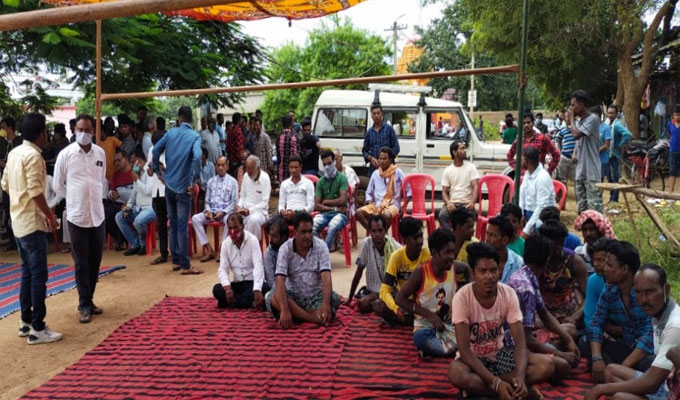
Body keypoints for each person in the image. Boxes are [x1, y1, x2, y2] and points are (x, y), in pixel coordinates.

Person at [448, 242, 552, 399]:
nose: (489, 276)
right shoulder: (462, 298)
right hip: (474, 359)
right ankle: (507, 390)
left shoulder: (508, 294)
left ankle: (488, 390)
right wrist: (497, 383)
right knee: (457, 374)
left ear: (499, 271)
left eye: (493, 270)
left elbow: (520, 343)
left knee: (546, 366)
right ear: (473, 272)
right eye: (483, 271)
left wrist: (520, 377)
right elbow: (465, 350)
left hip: (499, 354)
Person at [2, 112, 62, 344]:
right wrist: (50, 216)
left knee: (27, 272)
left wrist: (20, 202)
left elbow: (5, 185)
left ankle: (26, 321)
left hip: (17, 221)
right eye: (45, 131)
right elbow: (36, 192)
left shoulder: (14, 153)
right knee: (38, 276)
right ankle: (38, 327)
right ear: (41, 134)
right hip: (32, 223)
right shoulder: (34, 157)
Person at [586, 264, 679, 400]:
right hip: (664, 384)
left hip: (670, 390)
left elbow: (652, 383)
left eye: (650, 292)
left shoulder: (674, 326)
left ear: (666, 290)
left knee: (620, 397)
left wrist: (601, 389)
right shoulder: (658, 315)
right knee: (610, 370)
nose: (643, 300)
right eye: (638, 293)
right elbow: (596, 321)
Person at [53, 115, 107, 323]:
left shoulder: (100, 153)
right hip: (77, 216)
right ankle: (84, 303)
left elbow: (101, 179)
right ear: (74, 131)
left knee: (95, 260)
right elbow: (58, 185)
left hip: (97, 215)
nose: (84, 133)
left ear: (93, 131)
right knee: (81, 262)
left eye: (87, 130)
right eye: (80, 130)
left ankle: (89, 299)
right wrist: (73, 198)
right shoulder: (66, 155)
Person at [506, 235, 581, 379]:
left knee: (569, 331)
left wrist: (568, 340)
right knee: (563, 366)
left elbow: (544, 313)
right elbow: (526, 339)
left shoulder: (526, 275)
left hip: (525, 337)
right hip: (514, 345)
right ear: (547, 260)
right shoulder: (526, 289)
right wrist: (560, 354)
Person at [580, 240, 655, 382]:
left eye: (609, 265)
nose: (604, 268)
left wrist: (624, 367)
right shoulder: (610, 289)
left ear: (624, 269)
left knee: (654, 363)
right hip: (626, 347)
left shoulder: (646, 291)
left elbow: (650, 335)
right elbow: (596, 323)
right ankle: (620, 377)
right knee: (585, 342)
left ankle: (616, 376)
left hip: (645, 353)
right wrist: (597, 358)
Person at [266, 212, 340, 329]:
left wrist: (325, 305)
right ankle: (314, 318)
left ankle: (297, 315)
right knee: (272, 297)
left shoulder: (322, 247)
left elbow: (326, 278)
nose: (308, 236)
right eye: (303, 232)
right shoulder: (285, 249)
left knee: (334, 298)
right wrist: (284, 309)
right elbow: (279, 279)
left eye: (310, 231)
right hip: (293, 297)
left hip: (315, 296)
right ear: (295, 232)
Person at [152, 105, 203, 275]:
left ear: (180, 118)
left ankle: (175, 261)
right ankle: (185, 265)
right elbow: (197, 157)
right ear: (191, 119)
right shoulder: (194, 136)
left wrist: (157, 170)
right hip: (183, 188)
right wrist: (194, 180)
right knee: (181, 227)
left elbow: (156, 150)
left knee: (172, 225)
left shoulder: (170, 134)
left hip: (169, 186)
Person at [396, 228, 461, 358]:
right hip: (426, 327)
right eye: (447, 252)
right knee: (420, 338)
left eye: (453, 252)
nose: (452, 257)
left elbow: (467, 269)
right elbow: (399, 298)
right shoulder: (421, 272)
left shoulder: (453, 267)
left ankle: (451, 347)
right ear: (435, 253)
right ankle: (458, 348)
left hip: (450, 325)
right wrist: (428, 314)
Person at [375, 217, 430, 326]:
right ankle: (408, 320)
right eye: (415, 238)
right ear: (405, 240)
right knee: (378, 305)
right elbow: (384, 290)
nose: (420, 241)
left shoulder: (427, 254)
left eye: (421, 236)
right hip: (403, 302)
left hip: (421, 303)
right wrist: (396, 308)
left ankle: (404, 320)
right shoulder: (397, 256)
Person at [537, 219, 588, 336]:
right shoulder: (537, 259)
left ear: (558, 246)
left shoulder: (575, 262)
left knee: (569, 331)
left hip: (566, 316)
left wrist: (575, 316)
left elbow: (588, 296)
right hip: (542, 314)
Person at [345, 214, 401, 312]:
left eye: (380, 230)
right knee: (363, 304)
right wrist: (350, 298)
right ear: (369, 232)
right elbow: (358, 272)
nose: (377, 234)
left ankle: (383, 306)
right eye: (374, 231)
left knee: (380, 305)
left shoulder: (395, 247)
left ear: (385, 231)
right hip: (374, 293)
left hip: (392, 292)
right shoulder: (366, 244)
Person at [212, 213, 266, 310]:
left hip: (252, 282)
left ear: (243, 227)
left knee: (265, 288)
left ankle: (232, 302)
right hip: (237, 283)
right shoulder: (226, 244)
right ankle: (248, 303)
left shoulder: (252, 240)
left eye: (236, 227)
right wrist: (227, 288)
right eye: (230, 228)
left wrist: (257, 289)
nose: (233, 231)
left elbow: (258, 266)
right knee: (217, 289)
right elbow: (223, 269)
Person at [191, 156, 238, 262]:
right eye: (218, 165)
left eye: (223, 165)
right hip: (212, 212)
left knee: (230, 220)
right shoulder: (211, 181)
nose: (220, 168)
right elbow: (207, 201)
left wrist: (223, 212)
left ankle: (222, 250)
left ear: (227, 166)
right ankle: (209, 249)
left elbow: (234, 202)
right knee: (195, 219)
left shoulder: (233, 182)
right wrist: (207, 211)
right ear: (215, 166)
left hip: (225, 213)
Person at [566, 90, 603, 213]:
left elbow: (576, 135)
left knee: (594, 210)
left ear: (581, 105)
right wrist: (575, 153)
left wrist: (571, 119)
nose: (571, 108)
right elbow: (578, 142)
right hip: (580, 171)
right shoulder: (580, 122)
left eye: (573, 105)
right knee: (581, 210)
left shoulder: (593, 119)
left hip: (591, 172)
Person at [357, 146, 408, 233]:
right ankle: (374, 234)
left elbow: (409, 190)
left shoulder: (397, 172)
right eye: (380, 159)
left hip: (392, 205)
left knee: (386, 215)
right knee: (358, 213)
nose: (382, 161)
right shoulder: (375, 173)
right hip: (377, 204)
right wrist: (369, 202)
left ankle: (382, 236)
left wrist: (404, 207)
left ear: (390, 160)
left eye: (384, 159)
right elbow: (369, 192)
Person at [115, 150, 156, 256]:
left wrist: (137, 180)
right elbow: (133, 194)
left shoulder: (149, 171)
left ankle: (144, 245)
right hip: (138, 207)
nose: (132, 165)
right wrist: (128, 207)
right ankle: (135, 244)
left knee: (138, 221)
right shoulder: (137, 173)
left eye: (133, 162)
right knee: (119, 217)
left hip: (150, 207)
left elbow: (148, 191)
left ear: (139, 161)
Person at [438, 140, 479, 230]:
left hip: (466, 204)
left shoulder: (471, 167)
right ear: (454, 152)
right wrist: (448, 203)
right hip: (453, 204)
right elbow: (444, 192)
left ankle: (463, 236)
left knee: (469, 219)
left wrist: (472, 202)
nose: (465, 150)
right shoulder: (447, 170)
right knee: (441, 216)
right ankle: (451, 235)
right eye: (462, 148)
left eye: (464, 148)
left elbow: (475, 186)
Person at [312, 150, 349, 250]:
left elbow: (343, 199)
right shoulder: (320, 181)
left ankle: (322, 253)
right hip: (326, 214)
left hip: (341, 215)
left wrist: (326, 201)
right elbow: (317, 205)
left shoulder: (342, 178)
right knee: (312, 227)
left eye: (329, 163)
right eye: (324, 164)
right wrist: (334, 209)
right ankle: (320, 252)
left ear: (334, 162)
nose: (327, 167)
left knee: (332, 227)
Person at [507, 112, 560, 176]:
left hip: (539, 176)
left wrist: (549, 171)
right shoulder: (519, 141)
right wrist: (519, 169)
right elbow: (509, 156)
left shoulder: (543, 139)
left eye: (528, 122)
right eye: (523, 123)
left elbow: (556, 155)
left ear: (533, 123)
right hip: (524, 177)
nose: (526, 125)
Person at [519, 146, 555, 237]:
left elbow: (541, 207)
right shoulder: (528, 173)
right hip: (528, 213)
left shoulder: (542, 178)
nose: (520, 161)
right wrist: (521, 214)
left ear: (526, 161)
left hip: (541, 217)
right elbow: (522, 195)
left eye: (522, 159)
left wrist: (526, 230)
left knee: (538, 225)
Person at [104, 150, 135, 250]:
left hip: (132, 204)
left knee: (122, 214)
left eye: (119, 160)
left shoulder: (135, 172)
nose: (116, 163)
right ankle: (121, 239)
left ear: (126, 159)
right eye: (115, 161)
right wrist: (112, 194)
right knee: (103, 215)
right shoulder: (115, 174)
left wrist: (129, 203)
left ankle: (121, 241)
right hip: (117, 204)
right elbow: (110, 192)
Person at [146, 128, 169, 265]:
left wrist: (163, 169)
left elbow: (173, 170)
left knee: (172, 222)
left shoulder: (170, 151)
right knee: (161, 223)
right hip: (156, 190)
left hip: (168, 189)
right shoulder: (152, 151)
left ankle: (177, 252)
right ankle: (163, 253)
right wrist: (151, 169)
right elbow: (149, 172)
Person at [1, 116, 23, 250]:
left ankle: (20, 239)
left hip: (18, 182)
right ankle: (12, 240)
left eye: (3, 127)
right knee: (7, 211)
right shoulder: (2, 143)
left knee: (18, 211)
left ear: (9, 128)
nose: (2, 130)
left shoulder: (19, 142)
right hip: (6, 183)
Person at [583, 237, 615, 331]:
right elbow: (590, 318)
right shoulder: (593, 281)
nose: (595, 264)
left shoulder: (624, 282)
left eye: (600, 260)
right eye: (594, 260)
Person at [235, 155, 270, 241]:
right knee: (231, 218)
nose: (249, 173)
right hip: (244, 211)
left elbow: (264, 202)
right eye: (247, 170)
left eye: (251, 171)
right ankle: (228, 246)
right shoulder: (246, 176)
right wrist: (239, 206)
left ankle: (250, 245)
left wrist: (250, 211)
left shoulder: (265, 178)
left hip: (260, 212)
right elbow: (242, 196)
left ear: (257, 168)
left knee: (253, 220)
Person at [362, 102, 400, 177]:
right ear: (371, 116)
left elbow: (396, 148)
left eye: (378, 113)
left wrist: (386, 160)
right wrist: (371, 158)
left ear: (382, 114)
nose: (376, 115)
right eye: (374, 113)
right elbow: (364, 151)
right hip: (374, 170)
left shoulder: (389, 129)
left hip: (389, 170)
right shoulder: (369, 133)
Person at [485, 215, 524, 283]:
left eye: (493, 235)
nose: (487, 239)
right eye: (487, 234)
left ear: (505, 240)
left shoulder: (518, 263)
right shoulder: (479, 259)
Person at [607, 104, 633, 202]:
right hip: (608, 154)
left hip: (615, 155)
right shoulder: (607, 124)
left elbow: (628, 134)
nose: (610, 115)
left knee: (615, 177)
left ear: (616, 114)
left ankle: (614, 199)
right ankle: (611, 198)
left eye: (612, 113)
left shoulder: (617, 125)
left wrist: (620, 144)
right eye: (609, 113)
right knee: (610, 178)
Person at [278, 155, 315, 223]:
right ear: (288, 168)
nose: (293, 170)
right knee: (270, 224)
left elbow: (311, 206)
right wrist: (283, 212)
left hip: (302, 215)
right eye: (291, 167)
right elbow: (281, 205)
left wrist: (296, 213)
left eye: (296, 167)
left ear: (301, 167)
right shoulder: (284, 184)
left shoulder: (308, 183)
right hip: (287, 215)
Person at [263, 217, 289, 291]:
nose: (271, 239)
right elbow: (271, 282)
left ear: (283, 237)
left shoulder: (294, 248)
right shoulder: (268, 253)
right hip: (279, 288)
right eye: (270, 235)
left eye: (274, 236)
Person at [334, 149, 359, 217]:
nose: (334, 162)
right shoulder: (330, 172)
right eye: (332, 160)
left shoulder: (349, 171)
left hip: (346, 202)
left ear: (341, 158)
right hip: (333, 202)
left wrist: (340, 200)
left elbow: (352, 190)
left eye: (336, 159)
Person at [591, 107, 612, 183]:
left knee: (599, 181)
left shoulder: (606, 128)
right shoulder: (590, 127)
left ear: (597, 115)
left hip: (602, 160)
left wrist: (596, 151)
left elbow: (606, 145)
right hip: (591, 160)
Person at [98, 117, 122, 181]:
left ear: (102, 131)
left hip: (113, 171)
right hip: (103, 174)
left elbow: (122, 149)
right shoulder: (98, 143)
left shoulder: (112, 139)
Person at [277, 116, 298, 183]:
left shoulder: (279, 137)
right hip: (293, 170)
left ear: (282, 125)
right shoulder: (294, 137)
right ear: (291, 124)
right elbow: (297, 154)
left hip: (282, 171)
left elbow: (278, 156)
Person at [227, 113, 244, 178]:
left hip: (231, 160)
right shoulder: (238, 132)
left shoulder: (230, 131)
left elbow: (228, 147)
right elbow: (238, 149)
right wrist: (241, 159)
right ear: (239, 120)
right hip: (237, 161)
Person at [668, 106, 680, 193]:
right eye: (676, 115)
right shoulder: (670, 124)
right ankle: (670, 192)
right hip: (673, 150)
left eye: (679, 115)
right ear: (673, 116)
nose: (677, 117)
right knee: (672, 171)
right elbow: (669, 134)